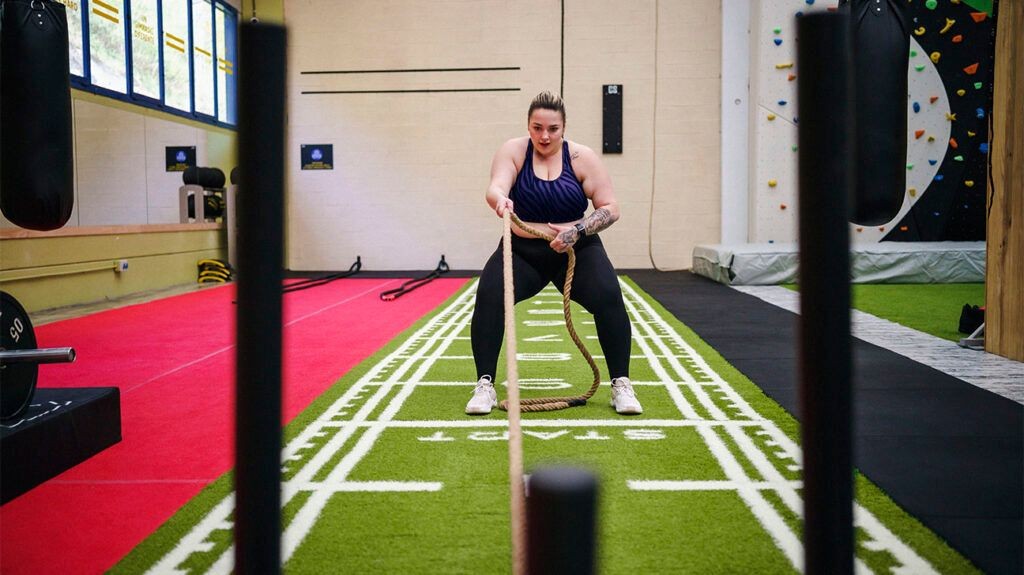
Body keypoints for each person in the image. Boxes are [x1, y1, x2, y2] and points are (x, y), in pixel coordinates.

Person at [465, 91, 641, 416]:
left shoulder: (582, 158)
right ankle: (485, 385)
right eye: (537, 127)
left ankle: (621, 384)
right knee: (490, 294)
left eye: (552, 128)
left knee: (609, 297)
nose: (544, 136)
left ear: (563, 128)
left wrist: (579, 231)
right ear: (528, 126)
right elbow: (496, 186)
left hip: (578, 247)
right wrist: (499, 200)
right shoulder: (513, 151)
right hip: (523, 250)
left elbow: (611, 208)